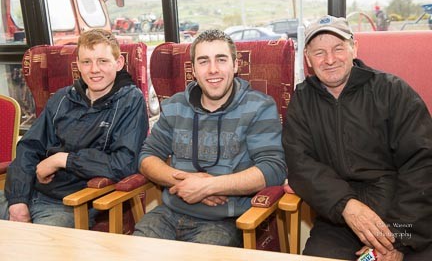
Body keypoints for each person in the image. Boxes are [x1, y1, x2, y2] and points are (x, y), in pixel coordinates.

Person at [283, 15, 432, 260]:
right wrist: (346, 206)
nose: (329, 60)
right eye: (319, 52)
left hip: (404, 218)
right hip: (338, 219)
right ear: (307, 59)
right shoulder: (302, 100)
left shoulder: (392, 91)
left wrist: (397, 241)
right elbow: (301, 165)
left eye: (338, 48)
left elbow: (423, 165)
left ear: (354, 47)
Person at [133, 29, 287, 247]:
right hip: (168, 213)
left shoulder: (259, 107)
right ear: (194, 70)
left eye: (221, 60)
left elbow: (273, 169)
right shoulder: (175, 105)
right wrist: (187, 182)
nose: (213, 69)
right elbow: (147, 157)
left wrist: (210, 186)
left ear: (235, 65)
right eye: (203, 61)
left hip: (224, 221)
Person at [0, 29, 148, 227]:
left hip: (70, 203)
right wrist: (18, 200)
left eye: (103, 61)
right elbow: (28, 148)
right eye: (86, 62)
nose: (94, 69)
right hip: (27, 192)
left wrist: (63, 160)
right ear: (78, 65)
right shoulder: (62, 98)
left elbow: (123, 163)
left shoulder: (131, 101)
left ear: (118, 63)